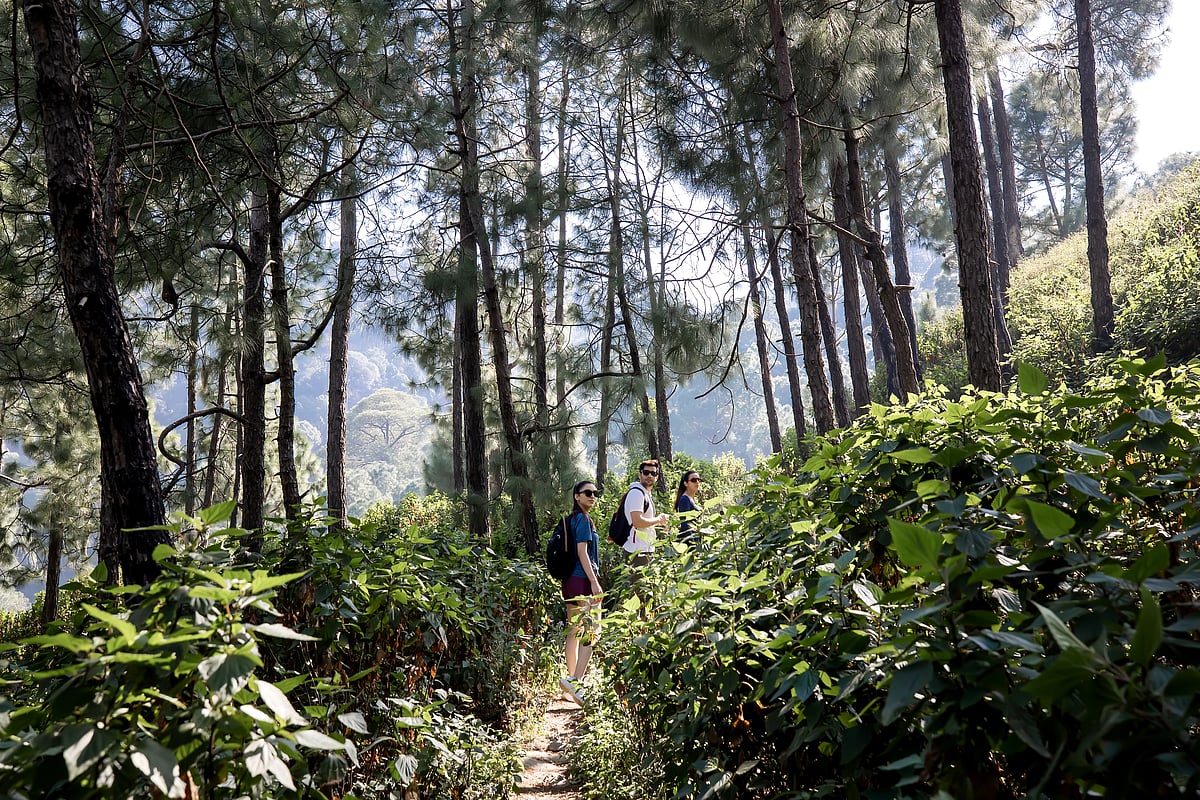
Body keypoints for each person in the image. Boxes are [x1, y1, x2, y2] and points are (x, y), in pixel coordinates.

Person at [559, 480, 602, 707]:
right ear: (577, 496)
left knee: (574, 631)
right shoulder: (583, 520)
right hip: (583, 581)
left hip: (569, 581)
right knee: (592, 630)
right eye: (587, 493)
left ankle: (570, 685)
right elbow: (582, 553)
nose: (592, 496)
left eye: (595, 493)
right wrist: (594, 583)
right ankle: (576, 680)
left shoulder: (572, 519)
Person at [623, 459, 669, 568]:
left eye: (653, 473)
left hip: (644, 549)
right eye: (646, 472)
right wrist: (658, 519)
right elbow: (637, 522)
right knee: (638, 584)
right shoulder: (636, 493)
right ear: (640, 474)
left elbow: (644, 522)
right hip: (637, 551)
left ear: (657, 477)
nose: (649, 475)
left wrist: (659, 523)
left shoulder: (645, 494)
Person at [674, 470, 702, 544]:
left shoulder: (690, 499)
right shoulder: (684, 499)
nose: (697, 482)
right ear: (686, 483)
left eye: (698, 480)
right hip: (689, 542)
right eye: (693, 480)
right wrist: (692, 545)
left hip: (695, 538)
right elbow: (685, 524)